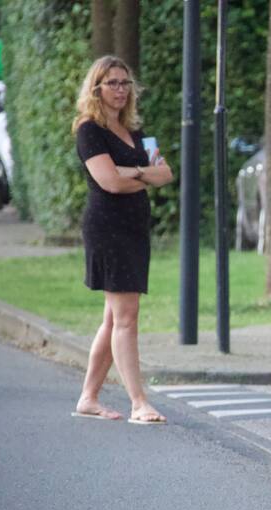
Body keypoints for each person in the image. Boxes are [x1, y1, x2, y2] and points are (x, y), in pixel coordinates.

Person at [71, 56, 174, 425]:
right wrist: (140, 175)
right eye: (112, 83)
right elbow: (109, 182)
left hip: (133, 229)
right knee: (126, 317)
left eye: (124, 83)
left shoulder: (135, 131)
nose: (119, 90)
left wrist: (134, 172)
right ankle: (138, 402)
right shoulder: (90, 130)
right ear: (96, 88)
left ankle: (89, 397)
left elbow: (166, 173)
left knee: (113, 318)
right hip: (108, 228)